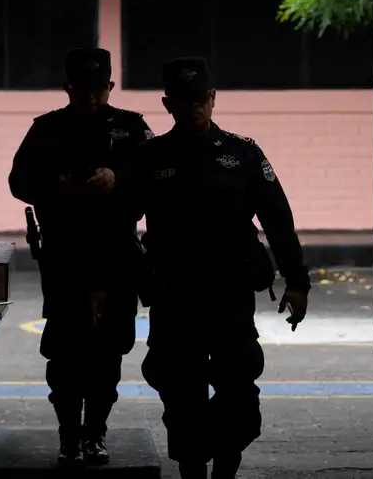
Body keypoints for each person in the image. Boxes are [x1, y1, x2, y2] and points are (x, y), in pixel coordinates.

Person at [129, 57, 310, 479]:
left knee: (237, 387)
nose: (193, 106)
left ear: (212, 99)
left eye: (200, 98)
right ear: (167, 104)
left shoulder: (242, 154)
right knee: (179, 389)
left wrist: (297, 282)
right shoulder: (149, 157)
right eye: (182, 99)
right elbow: (120, 223)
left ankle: (226, 466)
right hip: (174, 296)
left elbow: (278, 222)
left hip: (230, 293)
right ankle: (193, 469)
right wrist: (136, 277)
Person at [8, 48, 154, 466]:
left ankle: (96, 433)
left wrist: (118, 179)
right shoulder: (47, 129)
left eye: (99, 91)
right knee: (66, 351)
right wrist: (56, 186)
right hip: (66, 254)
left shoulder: (131, 127)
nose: (92, 99)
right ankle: (69, 435)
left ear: (110, 87)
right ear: (68, 89)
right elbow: (19, 181)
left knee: (110, 351)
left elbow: (157, 179)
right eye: (82, 92)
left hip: (116, 253)